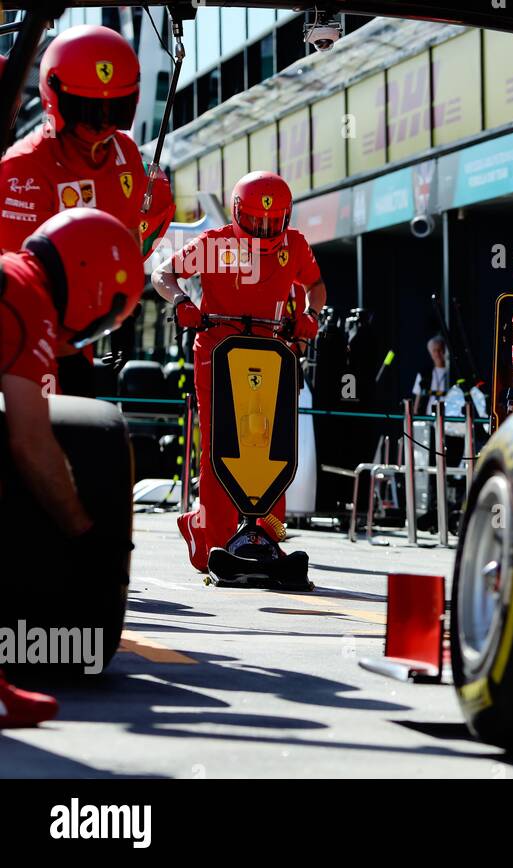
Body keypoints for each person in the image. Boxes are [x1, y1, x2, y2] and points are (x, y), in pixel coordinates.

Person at [0, 208, 144, 728]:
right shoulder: (27, 301)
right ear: (93, 288)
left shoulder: (10, 276)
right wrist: (87, 536)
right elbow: (33, 444)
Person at [151, 171, 325, 572]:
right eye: (255, 221)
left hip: (272, 354)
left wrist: (311, 316)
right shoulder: (215, 243)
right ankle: (212, 537)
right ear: (235, 213)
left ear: (286, 217)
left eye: (272, 222)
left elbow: (316, 287)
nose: (264, 231)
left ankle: (272, 537)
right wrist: (180, 302)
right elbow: (164, 274)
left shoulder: (295, 245)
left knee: (273, 446)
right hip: (217, 351)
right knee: (219, 446)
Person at [0, 26, 175, 397]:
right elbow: (18, 286)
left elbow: (130, 239)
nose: (101, 122)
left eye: (115, 107)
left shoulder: (128, 157)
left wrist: (119, 314)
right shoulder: (22, 169)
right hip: (21, 336)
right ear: (55, 94)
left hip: (81, 343)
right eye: (87, 108)